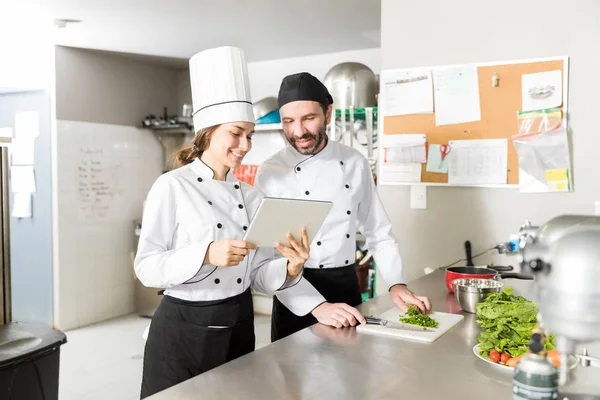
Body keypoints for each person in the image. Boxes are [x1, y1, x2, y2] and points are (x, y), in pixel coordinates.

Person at [134, 47, 310, 398]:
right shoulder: (173, 186)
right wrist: (206, 253)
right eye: (236, 133)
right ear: (208, 131)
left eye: (250, 134)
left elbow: (258, 274)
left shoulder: (250, 195)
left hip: (239, 323)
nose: (245, 145)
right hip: (183, 329)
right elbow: (146, 268)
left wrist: (290, 268)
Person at [254, 72, 432, 342]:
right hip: (294, 290)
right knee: (292, 380)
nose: (298, 131)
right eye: (288, 121)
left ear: (328, 113)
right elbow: (266, 258)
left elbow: (378, 232)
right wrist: (317, 306)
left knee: (350, 376)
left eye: (309, 118)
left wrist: (397, 283)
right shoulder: (270, 171)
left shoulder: (354, 162)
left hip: (346, 286)